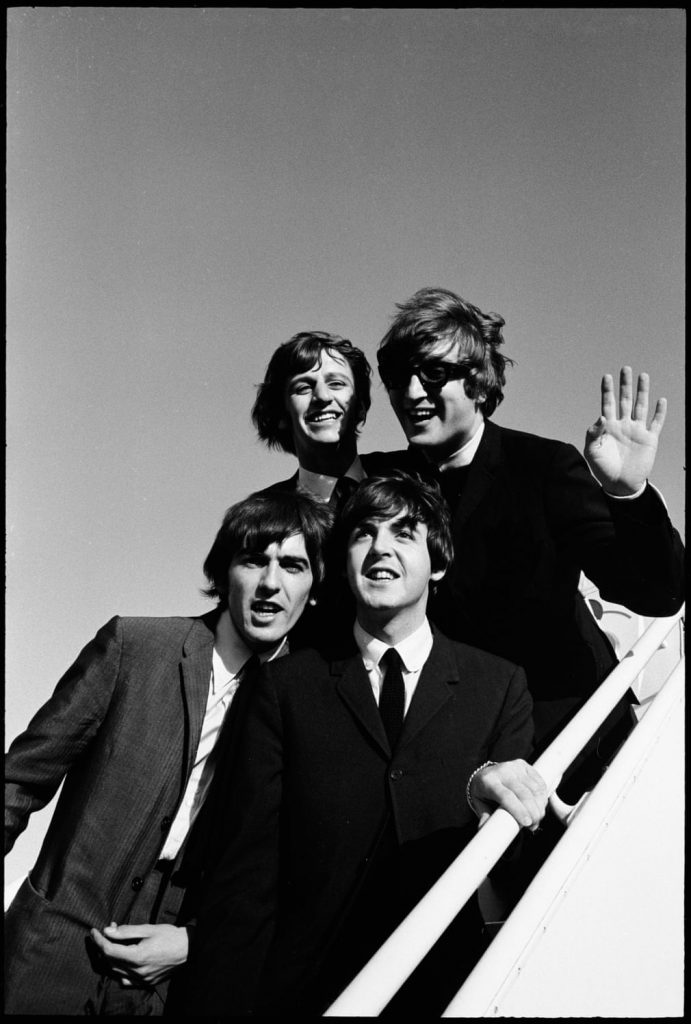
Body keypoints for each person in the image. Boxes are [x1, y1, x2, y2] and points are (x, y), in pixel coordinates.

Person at [173, 472, 548, 1017]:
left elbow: (516, 853)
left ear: (438, 562)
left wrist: (480, 786)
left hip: (446, 989)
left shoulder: (500, 686)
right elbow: (244, 877)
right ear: (342, 566)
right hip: (303, 993)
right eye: (363, 534)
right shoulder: (283, 689)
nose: (381, 549)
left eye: (404, 533)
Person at [4, 490, 333, 1016]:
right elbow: (17, 783)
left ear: (315, 588)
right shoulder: (134, 648)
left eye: (293, 565)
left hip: (169, 992)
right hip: (45, 958)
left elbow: (293, 873)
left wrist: (195, 941)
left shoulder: (313, 708)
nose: (272, 583)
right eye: (254, 560)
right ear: (224, 572)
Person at [370, 287, 685, 792]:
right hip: (454, 762)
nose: (410, 393)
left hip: (569, 753)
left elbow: (658, 592)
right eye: (397, 376)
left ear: (478, 383)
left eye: (432, 373)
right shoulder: (382, 484)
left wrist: (630, 495)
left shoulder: (543, 467)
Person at [251, 330, 378, 647]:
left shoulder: (409, 481)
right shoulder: (262, 513)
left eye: (337, 383)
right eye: (303, 387)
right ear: (281, 414)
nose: (322, 396)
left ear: (360, 407)